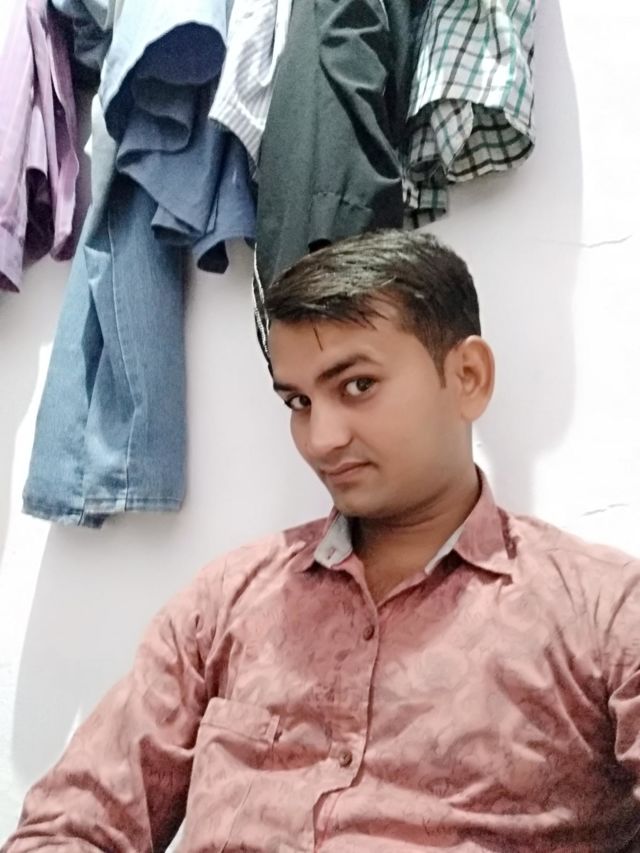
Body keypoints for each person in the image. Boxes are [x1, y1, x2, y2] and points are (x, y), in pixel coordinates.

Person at [4, 229, 640, 852]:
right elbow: (70, 825)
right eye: (299, 402)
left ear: (468, 376)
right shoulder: (227, 602)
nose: (322, 438)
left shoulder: (602, 613)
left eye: (357, 385)